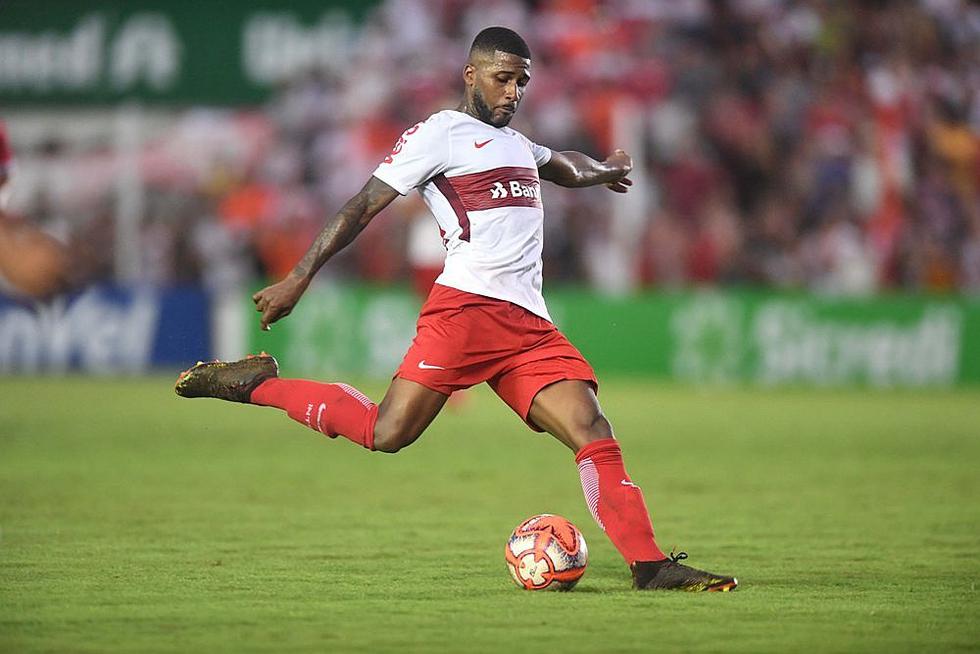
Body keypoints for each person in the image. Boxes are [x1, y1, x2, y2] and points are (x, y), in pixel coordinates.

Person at [176, 27, 736, 592]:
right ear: (471, 75)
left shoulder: (517, 145)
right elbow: (361, 206)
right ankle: (256, 385)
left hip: (527, 324)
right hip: (465, 311)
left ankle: (650, 565)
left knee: (592, 427)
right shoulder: (439, 133)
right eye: (503, 79)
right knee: (387, 432)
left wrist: (602, 170)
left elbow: (558, 164)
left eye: (522, 81)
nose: (514, 92)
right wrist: (299, 277)